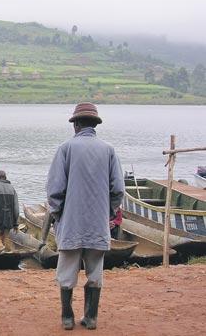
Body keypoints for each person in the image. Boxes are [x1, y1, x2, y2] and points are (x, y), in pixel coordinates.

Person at [42, 102, 124, 330]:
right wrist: (107, 212)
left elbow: (54, 190)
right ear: (94, 125)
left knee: (66, 271)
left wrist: (59, 214)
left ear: (76, 125)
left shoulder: (66, 148)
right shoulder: (108, 150)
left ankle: (67, 317)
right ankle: (91, 317)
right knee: (95, 271)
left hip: (71, 223)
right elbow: (117, 190)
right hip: (98, 224)